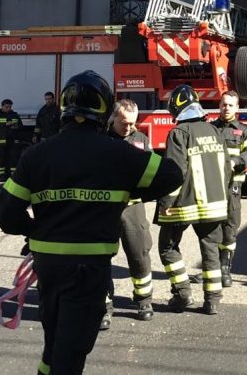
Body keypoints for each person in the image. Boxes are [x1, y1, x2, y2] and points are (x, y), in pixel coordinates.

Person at [0, 71, 182, 375]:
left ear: (64, 109)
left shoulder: (36, 155)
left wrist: (35, 229)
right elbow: (172, 175)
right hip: (89, 268)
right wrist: (126, 192)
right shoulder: (118, 153)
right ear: (105, 112)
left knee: (54, 344)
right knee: (71, 353)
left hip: (49, 266)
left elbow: (6, 215)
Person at [155, 84, 231, 315]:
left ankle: (182, 293)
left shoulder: (179, 133)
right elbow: (226, 169)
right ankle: (213, 300)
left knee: (167, 246)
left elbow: (175, 173)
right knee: (211, 250)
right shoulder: (215, 130)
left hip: (184, 206)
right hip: (215, 205)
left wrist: (165, 205)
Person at [101, 99, 156, 330]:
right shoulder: (100, 140)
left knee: (139, 254)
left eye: (132, 123)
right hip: (105, 209)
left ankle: (144, 301)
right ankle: (104, 306)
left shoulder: (141, 139)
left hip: (133, 208)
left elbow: (152, 173)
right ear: (113, 118)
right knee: (101, 257)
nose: (128, 127)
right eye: (124, 122)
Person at [210, 90, 247, 288]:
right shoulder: (210, 129)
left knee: (230, 228)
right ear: (219, 105)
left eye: (230, 105)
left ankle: (225, 268)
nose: (226, 108)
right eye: (223, 104)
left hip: (232, 187)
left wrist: (237, 161)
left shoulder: (244, 130)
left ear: (237, 108)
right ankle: (211, 268)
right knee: (211, 227)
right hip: (212, 186)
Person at [0, 98, 21, 182]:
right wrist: (5, 124)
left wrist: (16, 126)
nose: (8, 109)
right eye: (7, 107)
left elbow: (20, 125)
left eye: (10, 107)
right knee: (0, 160)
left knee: (13, 158)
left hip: (12, 141)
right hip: (0, 142)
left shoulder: (14, 115)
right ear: (2, 106)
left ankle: (13, 176)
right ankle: (1, 176)